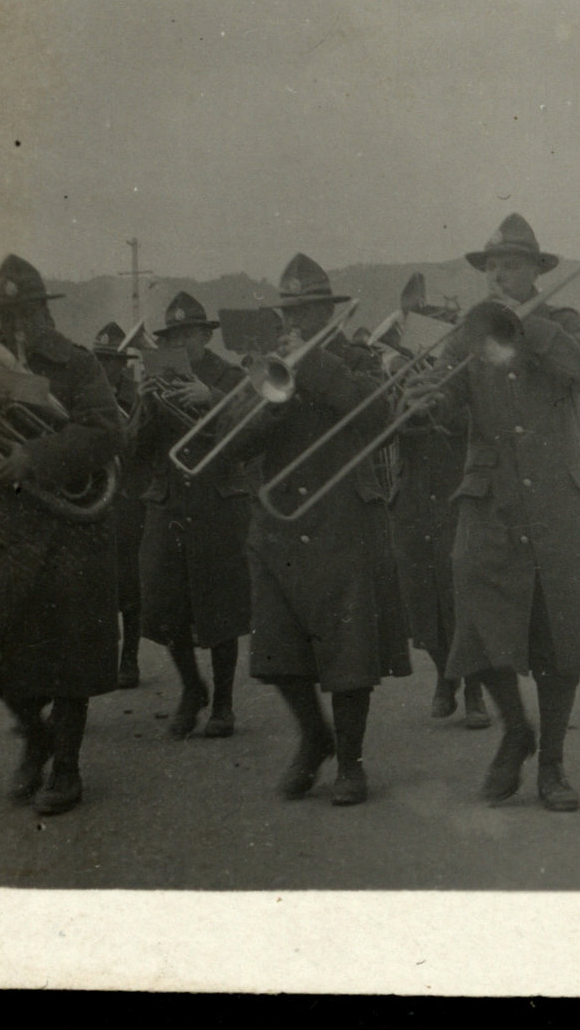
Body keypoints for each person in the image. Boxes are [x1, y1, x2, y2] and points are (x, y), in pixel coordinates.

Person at [402, 215, 580, 812]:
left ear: (537, 271)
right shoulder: (470, 333)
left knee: (559, 632)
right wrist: (429, 403)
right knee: (478, 616)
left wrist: (534, 329)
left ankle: (551, 763)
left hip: (560, 498)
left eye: (513, 264)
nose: (501, 273)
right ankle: (515, 731)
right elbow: (450, 399)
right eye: (493, 265)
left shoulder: (565, 323)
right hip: (492, 499)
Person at [217, 254, 411, 807]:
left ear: (330, 311)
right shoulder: (263, 365)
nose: (299, 320)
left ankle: (350, 760)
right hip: (278, 525)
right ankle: (314, 737)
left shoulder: (357, 358)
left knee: (350, 652)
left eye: (310, 310)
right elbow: (230, 447)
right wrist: (269, 399)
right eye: (292, 312)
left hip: (344, 518)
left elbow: (376, 416)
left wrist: (316, 363)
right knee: (278, 650)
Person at [0, 255, 123, 816]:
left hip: (68, 526)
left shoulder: (78, 364)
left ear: (44, 311)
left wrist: (34, 455)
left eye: (25, 312)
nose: (15, 324)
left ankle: (66, 766)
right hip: (3, 529)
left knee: (69, 656)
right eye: (5, 314)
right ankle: (34, 738)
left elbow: (108, 433)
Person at [137, 292, 253, 739]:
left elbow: (250, 426)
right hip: (168, 500)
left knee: (221, 606)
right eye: (175, 335)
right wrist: (146, 406)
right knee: (165, 606)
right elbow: (136, 451)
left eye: (190, 333)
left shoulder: (230, 375)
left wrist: (213, 398)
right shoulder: (157, 377)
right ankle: (192, 688)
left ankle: (223, 700)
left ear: (206, 335)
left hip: (217, 500)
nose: (183, 342)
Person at [383, 285, 490, 729]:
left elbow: (475, 422)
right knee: (419, 597)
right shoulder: (398, 372)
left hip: (456, 494)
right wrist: (407, 397)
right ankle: (445, 673)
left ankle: (475, 690)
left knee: (462, 596)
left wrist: (442, 401)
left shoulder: (469, 372)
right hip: (411, 500)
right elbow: (387, 431)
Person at [92, 322, 148, 688]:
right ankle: (105, 658)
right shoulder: (88, 394)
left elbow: (138, 448)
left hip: (129, 497)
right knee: (99, 584)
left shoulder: (137, 397)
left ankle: (130, 658)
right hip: (98, 497)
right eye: (100, 360)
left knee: (130, 583)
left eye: (112, 361)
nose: (105, 367)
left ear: (122, 364)